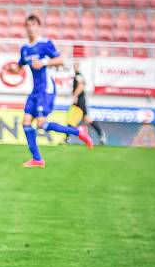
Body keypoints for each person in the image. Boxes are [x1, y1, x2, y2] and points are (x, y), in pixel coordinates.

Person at [5, 15, 92, 167]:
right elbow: (20, 65)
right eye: (28, 25)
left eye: (33, 25)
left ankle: (79, 132)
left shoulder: (45, 44)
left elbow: (60, 60)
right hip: (35, 90)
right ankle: (37, 159)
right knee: (26, 122)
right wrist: (14, 69)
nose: (31, 28)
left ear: (39, 27)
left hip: (46, 88)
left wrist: (44, 61)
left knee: (41, 124)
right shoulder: (25, 49)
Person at [66, 62, 106, 145]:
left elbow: (81, 86)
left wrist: (75, 95)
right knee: (85, 119)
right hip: (81, 100)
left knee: (71, 118)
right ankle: (101, 134)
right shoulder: (78, 75)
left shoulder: (78, 75)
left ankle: (67, 138)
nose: (74, 67)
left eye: (76, 65)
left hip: (79, 101)